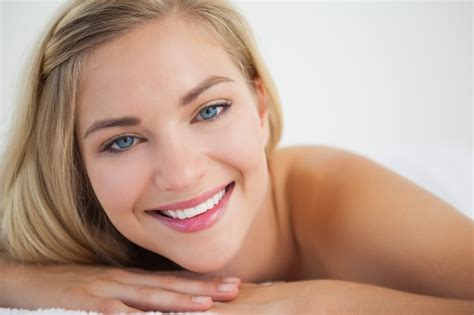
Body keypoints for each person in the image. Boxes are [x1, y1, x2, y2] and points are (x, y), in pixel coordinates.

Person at [0, 0, 472, 313]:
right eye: (122, 141)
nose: (182, 173)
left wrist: (313, 304)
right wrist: (30, 282)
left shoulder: (330, 191)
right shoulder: (83, 229)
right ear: (74, 167)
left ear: (260, 106)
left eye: (209, 110)